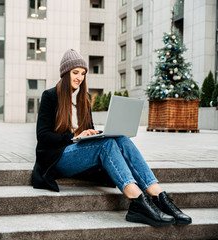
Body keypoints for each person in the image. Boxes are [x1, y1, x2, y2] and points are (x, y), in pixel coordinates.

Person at [32, 49, 192, 227]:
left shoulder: (84, 99)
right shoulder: (50, 96)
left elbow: (88, 131)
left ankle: (158, 195)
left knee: (120, 138)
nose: (79, 77)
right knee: (106, 145)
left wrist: (93, 133)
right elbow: (43, 136)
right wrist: (74, 137)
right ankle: (137, 200)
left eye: (83, 73)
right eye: (75, 72)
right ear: (65, 73)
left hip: (78, 154)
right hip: (58, 157)